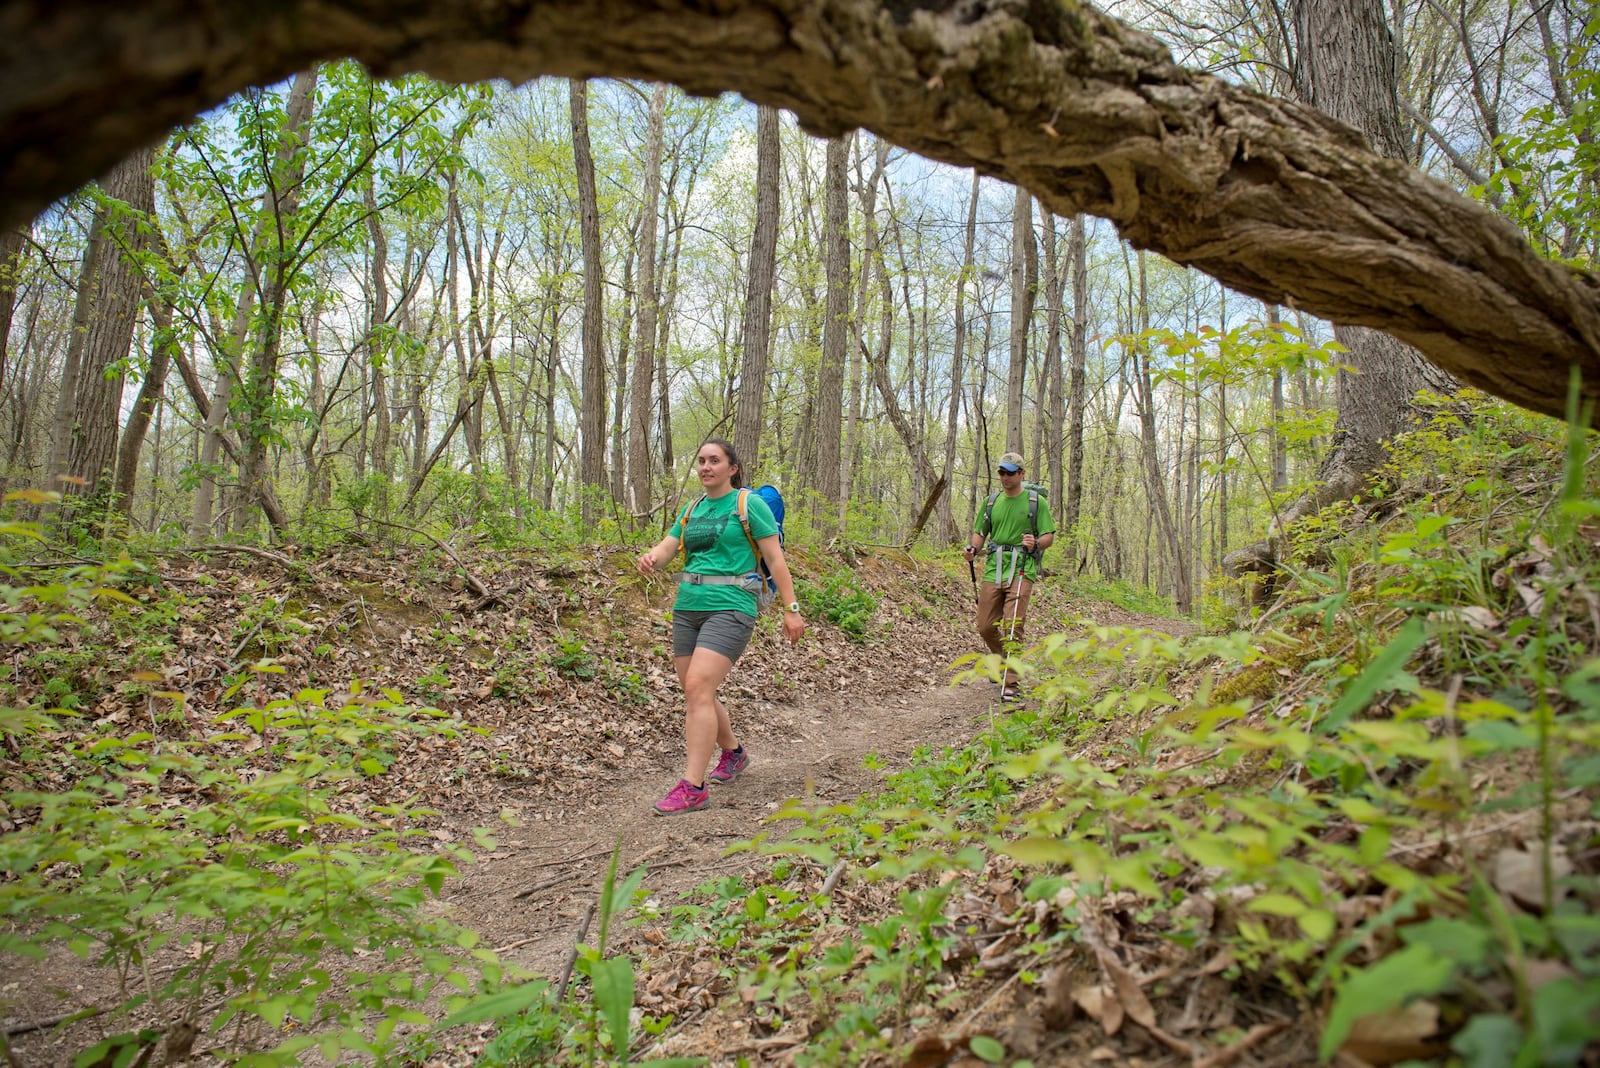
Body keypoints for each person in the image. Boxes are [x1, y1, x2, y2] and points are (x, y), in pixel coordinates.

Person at [636, 438, 805, 815]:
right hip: (688, 606)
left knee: (697, 686)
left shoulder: (749, 505)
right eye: (701, 461)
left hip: (732, 605)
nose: (706, 467)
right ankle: (734, 752)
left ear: (732, 469)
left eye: (715, 461)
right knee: (699, 692)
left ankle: (692, 788)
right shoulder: (692, 508)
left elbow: (776, 560)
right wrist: (652, 558)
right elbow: (669, 546)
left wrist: (790, 609)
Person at [962, 451, 1055, 701]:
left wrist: (1035, 542)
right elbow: (980, 532)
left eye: (1010, 473)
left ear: (1021, 474)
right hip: (994, 567)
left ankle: (1011, 683)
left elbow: (1049, 536)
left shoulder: (1036, 502)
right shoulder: (991, 502)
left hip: (1023, 567)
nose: (1004, 477)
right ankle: (1005, 664)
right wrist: (973, 548)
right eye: (1001, 472)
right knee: (984, 626)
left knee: (1013, 624)